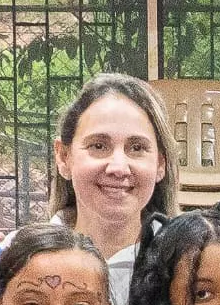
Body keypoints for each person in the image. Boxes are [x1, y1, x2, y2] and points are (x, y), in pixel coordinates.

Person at [50, 71, 176, 272]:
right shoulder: (17, 258)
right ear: (64, 157)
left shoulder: (189, 264)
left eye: (137, 148)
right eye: (98, 146)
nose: (118, 168)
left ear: (161, 164)